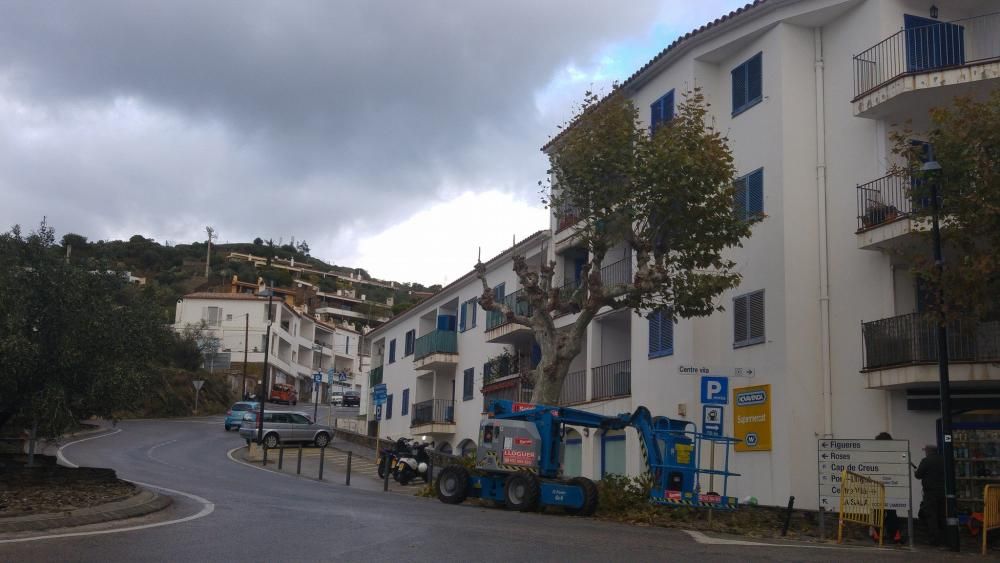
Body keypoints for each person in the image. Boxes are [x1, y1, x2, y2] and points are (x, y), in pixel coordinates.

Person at [872, 432, 903, 544]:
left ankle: (877, 535)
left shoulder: (877, 454)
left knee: (878, 512)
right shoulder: (893, 453)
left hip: (878, 486)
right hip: (891, 487)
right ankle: (895, 536)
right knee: (891, 512)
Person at [915, 444, 946, 545]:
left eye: (925, 450)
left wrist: (915, 470)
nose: (925, 452)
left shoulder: (926, 461)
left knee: (931, 515)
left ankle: (934, 540)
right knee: (941, 514)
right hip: (942, 492)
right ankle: (945, 538)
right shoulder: (943, 460)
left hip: (930, 493)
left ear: (928, 451)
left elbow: (918, 475)